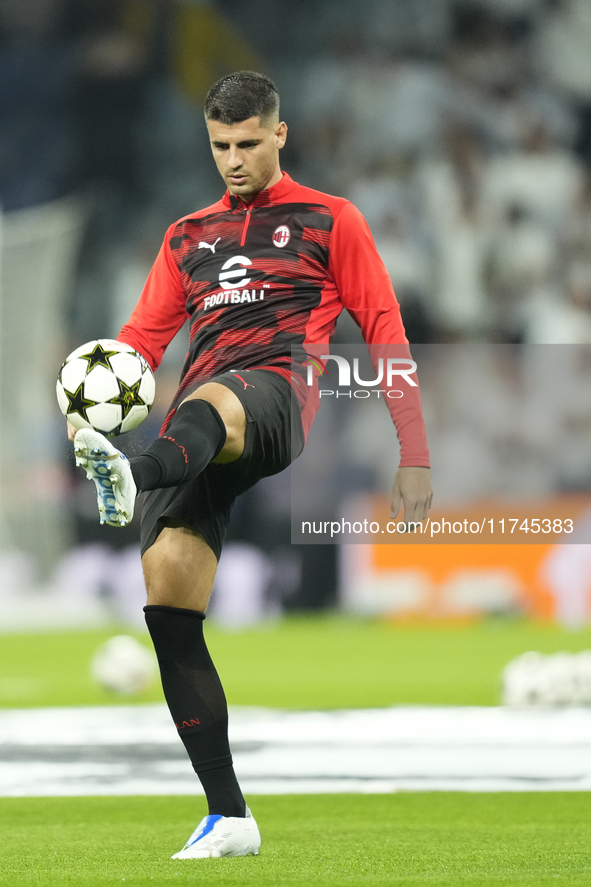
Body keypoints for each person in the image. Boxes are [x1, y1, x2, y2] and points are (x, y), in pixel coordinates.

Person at [70, 70, 433, 859]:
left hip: (275, 398)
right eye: (218, 146)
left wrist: (414, 450)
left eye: (245, 143)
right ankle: (228, 814)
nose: (232, 160)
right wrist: (90, 394)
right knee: (169, 608)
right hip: (193, 430)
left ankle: (132, 471)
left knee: (214, 402)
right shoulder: (184, 236)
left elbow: (384, 330)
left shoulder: (330, 220)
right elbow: (141, 340)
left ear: (278, 134)